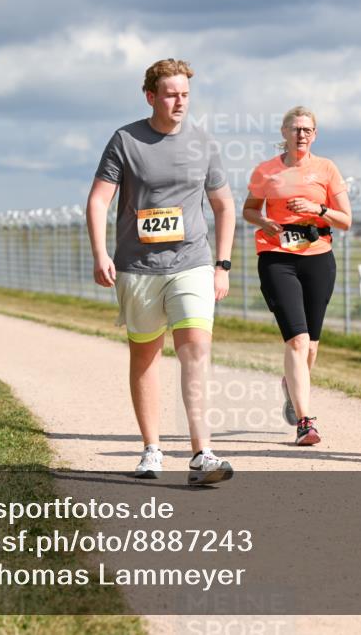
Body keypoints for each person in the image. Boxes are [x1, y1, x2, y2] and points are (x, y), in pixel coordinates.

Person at [86, 58, 236, 485]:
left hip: (193, 262)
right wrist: (101, 254)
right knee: (146, 356)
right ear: (151, 96)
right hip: (139, 267)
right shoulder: (126, 140)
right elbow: (98, 201)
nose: (179, 102)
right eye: (171, 94)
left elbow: (224, 206)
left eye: (185, 94)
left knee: (195, 352)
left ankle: (202, 452)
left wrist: (222, 265)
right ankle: (152, 449)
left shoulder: (203, 143)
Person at [242, 107, 352, 446]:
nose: (301, 134)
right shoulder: (266, 171)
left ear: (315, 134)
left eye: (307, 129)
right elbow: (248, 209)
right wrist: (264, 223)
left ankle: (291, 387)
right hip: (277, 258)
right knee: (297, 340)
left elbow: (346, 219)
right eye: (295, 129)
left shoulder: (327, 169)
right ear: (284, 133)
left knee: (312, 347)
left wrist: (317, 210)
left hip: (318, 259)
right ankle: (306, 422)